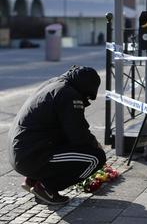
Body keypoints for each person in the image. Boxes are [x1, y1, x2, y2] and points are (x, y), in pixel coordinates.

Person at [7, 65, 106, 205]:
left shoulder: (54, 84)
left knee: (68, 142)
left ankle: (33, 180)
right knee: (95, 158)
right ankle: (46, 188)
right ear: (84, 88)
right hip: (30, 155)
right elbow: (78, 135)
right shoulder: (69, 94)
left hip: (21, 152)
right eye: (87, 96)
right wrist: (95, 144)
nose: (87, 99)